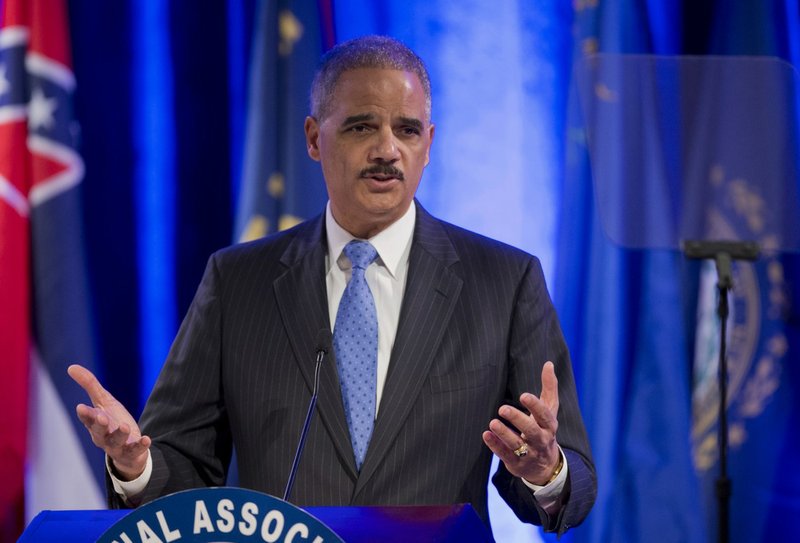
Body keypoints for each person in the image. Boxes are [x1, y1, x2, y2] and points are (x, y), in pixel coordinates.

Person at [69, 35, 596, 536]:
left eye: (408, 130)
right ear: (313, 138)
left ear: (429, 145)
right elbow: (182, 470)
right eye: (362, 127)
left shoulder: (503, 281)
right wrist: (137, 464)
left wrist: (545, 470)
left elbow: (569, 491)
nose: (388, 149)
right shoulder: (237, 282)